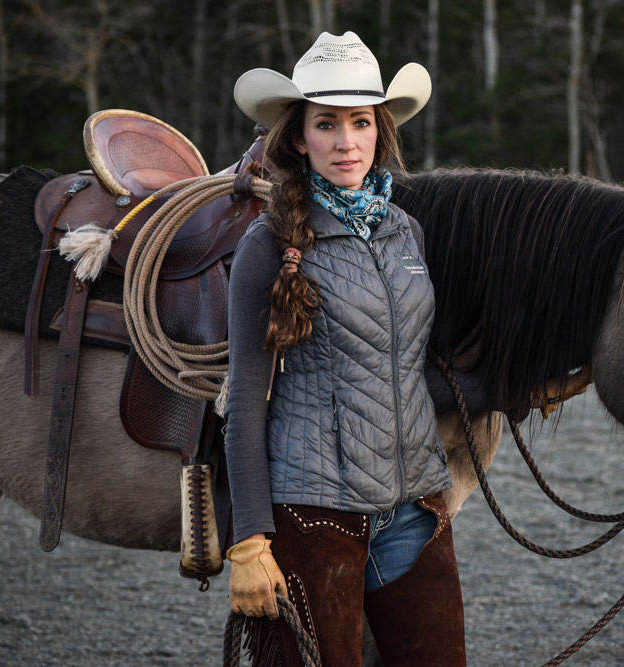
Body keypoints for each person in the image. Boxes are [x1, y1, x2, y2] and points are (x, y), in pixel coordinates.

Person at [224, 31, 466, 666]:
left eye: (360, 122)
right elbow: (246, 402)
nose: (346, 141)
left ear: (379, 131)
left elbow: (401, 366)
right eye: (326, 124)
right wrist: (248, 540)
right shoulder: (267, 244)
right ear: (300, 137)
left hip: (414, 507)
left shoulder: (405, 231)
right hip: (311, 511)